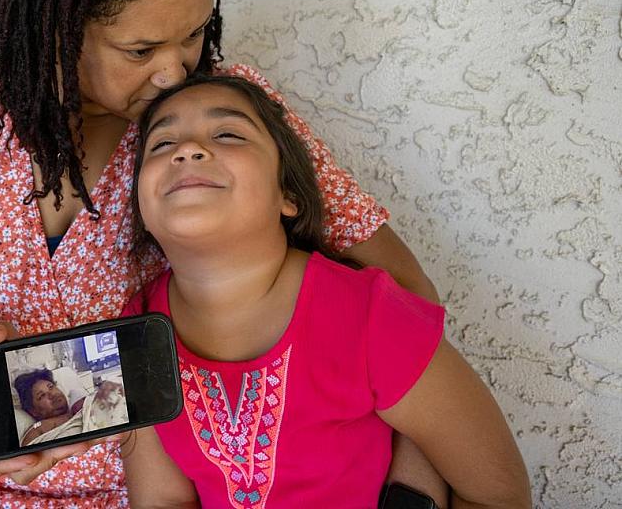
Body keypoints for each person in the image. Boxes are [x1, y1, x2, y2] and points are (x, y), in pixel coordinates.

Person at [0, 0, 445, 506]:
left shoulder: (212, 123)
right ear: (52, 26)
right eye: (141, 48)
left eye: (196, 32)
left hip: (163, 488)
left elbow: (406, 292)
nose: (175, 72)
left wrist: (412, 478)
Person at [120, 74, 531, 509]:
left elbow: (497, 495)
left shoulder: (369, 314)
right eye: (162, 145)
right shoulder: (137, 332)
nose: (188, 149)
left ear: (288, 195)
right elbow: (163, 500)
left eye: (228, 133)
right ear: (142, 211)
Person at [14, 369, 127, 445]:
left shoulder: (81, 405)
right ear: (34, 411)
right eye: (42, 395)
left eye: (51, 387)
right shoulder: (37, 430)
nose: (52, 394)